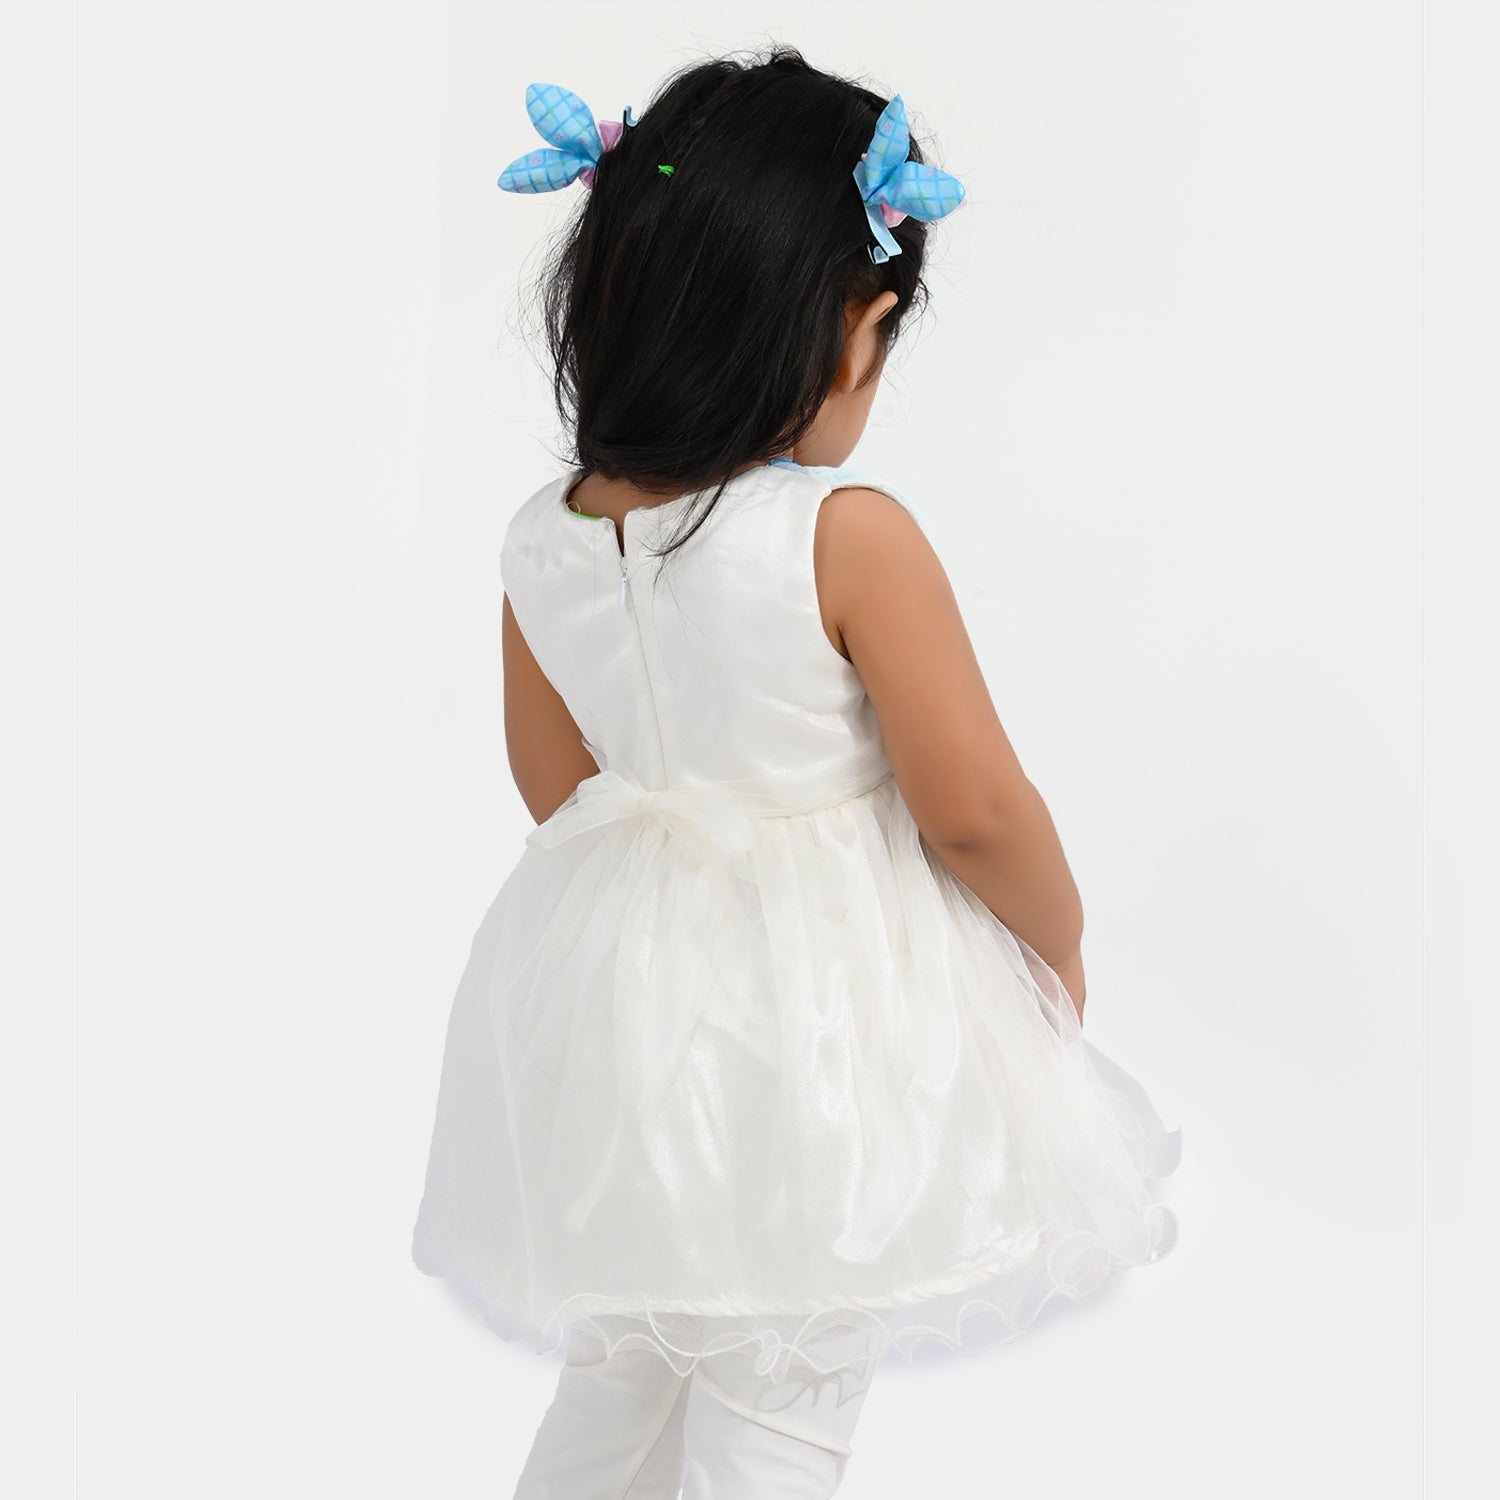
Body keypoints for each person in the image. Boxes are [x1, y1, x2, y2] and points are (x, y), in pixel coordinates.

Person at [411, 45, 1182, 1500]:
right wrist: (1057, 941)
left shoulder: (542, 536)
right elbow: (973, 809)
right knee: (786, 1384)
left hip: (620, 1025)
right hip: (823, 1026)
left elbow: (557, 789)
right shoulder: (846, 535)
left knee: (628, 1364)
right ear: (853, 325)